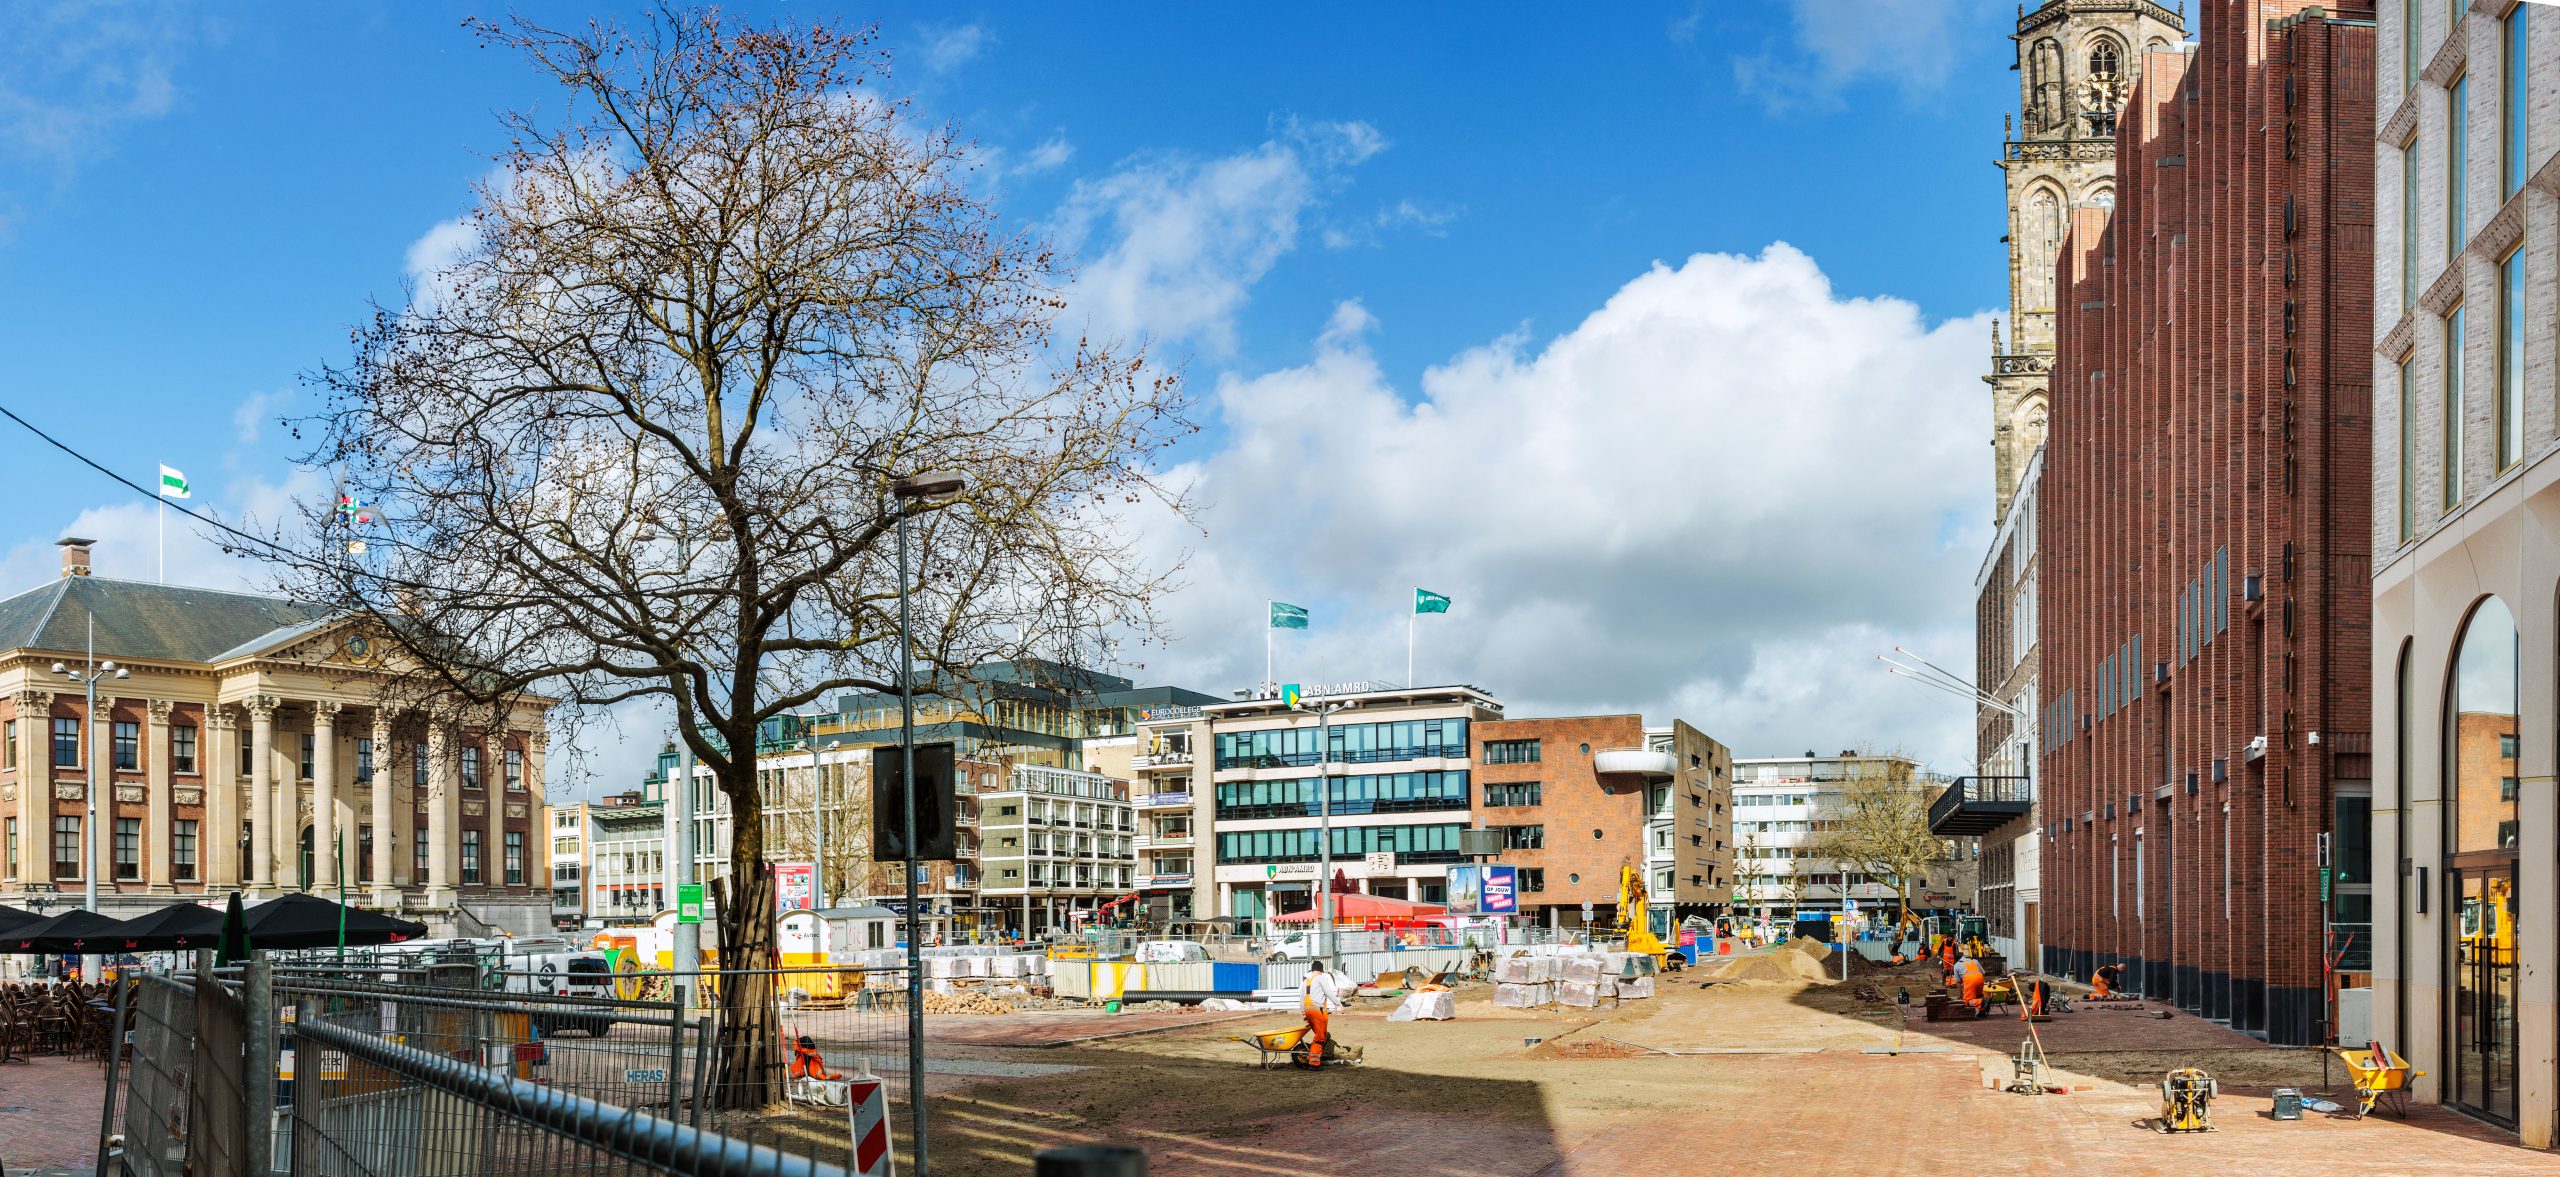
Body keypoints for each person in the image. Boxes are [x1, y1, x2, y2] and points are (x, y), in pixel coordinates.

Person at [1299, 958, 1344, 1068]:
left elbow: (1302, 998)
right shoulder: (1321, 978)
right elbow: (1328, 992)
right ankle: (1313, 1063)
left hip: (1308, 1010)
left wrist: (1303, 1013)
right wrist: (1338, 1004)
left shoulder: (1306, 981)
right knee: (1320, 1037)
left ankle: (1312, 1057)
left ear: (1312, 970)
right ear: (1321, 970)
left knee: (1322, 1035)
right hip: (1317, 1010)